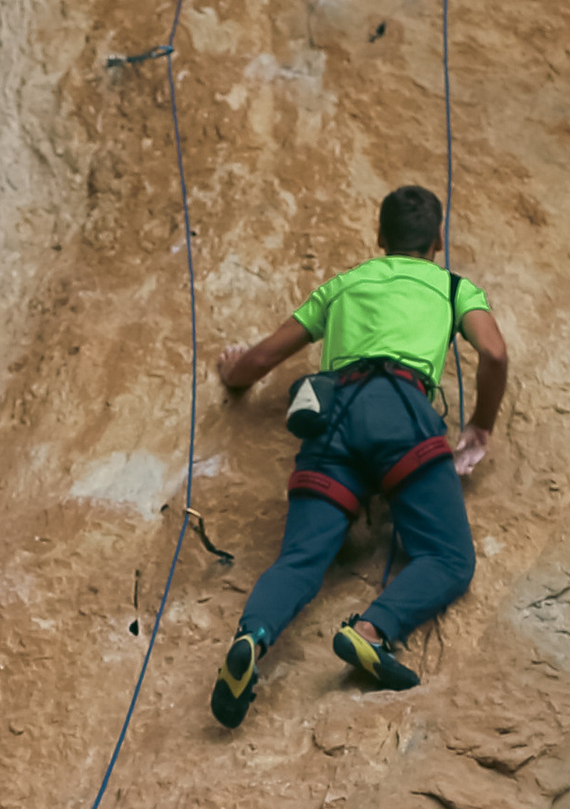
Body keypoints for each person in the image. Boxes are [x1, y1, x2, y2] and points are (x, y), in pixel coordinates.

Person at [209, 182, 508, 725]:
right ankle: (371, 630)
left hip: (333, 418)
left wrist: (232, 371)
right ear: (437, 240)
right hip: (401, 415)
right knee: (448, 558)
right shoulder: (451, 286)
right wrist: (481, 425)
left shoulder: (343, 285)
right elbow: (493, 351)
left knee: (300, 560)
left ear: (380, 237)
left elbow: (262, 359)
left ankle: (252, 637)